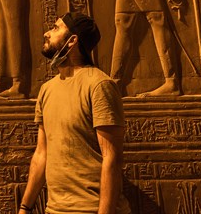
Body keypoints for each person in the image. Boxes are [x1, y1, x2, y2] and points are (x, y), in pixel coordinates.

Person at [19, 13, 130, 214]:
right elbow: (41, 153)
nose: (46, 33)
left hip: (90, 209)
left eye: (55, 28)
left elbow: (111, 158)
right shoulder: (47, 89)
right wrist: (25, 208)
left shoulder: (99, 85)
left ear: (72, 41)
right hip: (55, 209)